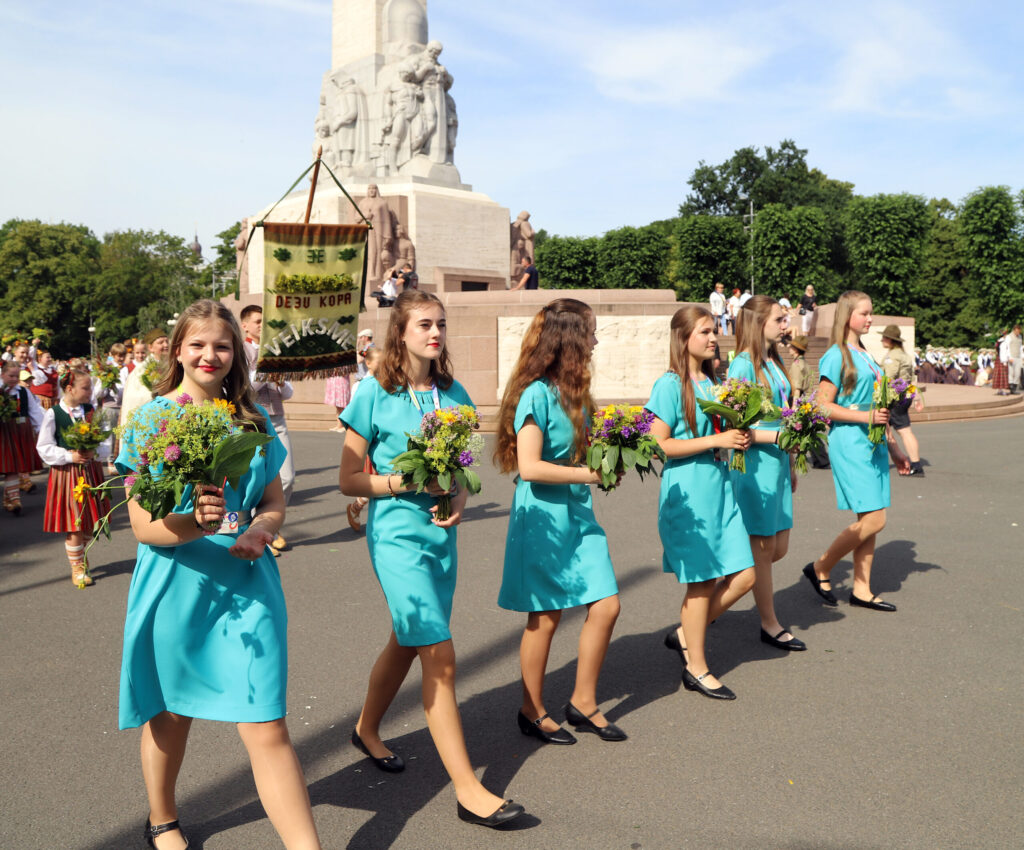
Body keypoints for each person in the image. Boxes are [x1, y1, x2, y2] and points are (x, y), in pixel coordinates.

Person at [116, 299, 322, 850]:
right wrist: (195, 521)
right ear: (178, 349)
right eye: (199, 344)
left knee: (267, 723)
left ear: (237, 354)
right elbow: (142, 527)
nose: (211, 355)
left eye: (223, 346)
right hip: (176, 584)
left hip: (246, 585)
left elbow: (274, 501)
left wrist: (261, 529)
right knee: (170, 715)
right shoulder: (150, 419)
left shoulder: (251, 420)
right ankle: (162, 820)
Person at [338, 290, 526, 828]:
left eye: (441, 323)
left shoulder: (453, 392)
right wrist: (403, 482)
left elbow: (462, 469)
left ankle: (366, 730)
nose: (435, 332)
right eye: (424, 324)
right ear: (401, 332)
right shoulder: (374, 392)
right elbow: (348, 479)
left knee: (409, 637)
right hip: (395, 535)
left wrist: (459, 499)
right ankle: (469, 789)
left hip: (440, 535)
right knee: (438, 653)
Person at [494, 298, 626, 746]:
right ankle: (531, 709)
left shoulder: (577, 392)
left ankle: (583, 702)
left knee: (606, 603)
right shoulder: (536, 394)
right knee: (546, 616)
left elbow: (579, 453)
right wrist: (591, 473)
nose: (594, 340)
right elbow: (529, 467)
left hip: (576, 509)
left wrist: (615, 453)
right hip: (542, 516)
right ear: (569, 338)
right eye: (589, 331)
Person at [646, 306, 756, 700]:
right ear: (683, 338)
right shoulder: (670, 384)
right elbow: (658, 444)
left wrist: (738, 436)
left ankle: (685, 633)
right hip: (688, 494)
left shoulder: (715, 382)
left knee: (745, 575)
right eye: (705, 332)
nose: (714, 338)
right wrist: (717, 441)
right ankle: (697, 668)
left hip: (721, 487)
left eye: (715, 331)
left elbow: (722, 432)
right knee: (702, 583)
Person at [802, 291, 910, 614]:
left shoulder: (865, 353)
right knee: (877, 518)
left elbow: (878, 408)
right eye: (864, 313)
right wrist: (865, 417)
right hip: (850, 442)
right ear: (847, 315)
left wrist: (895, 450)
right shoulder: (836, 355)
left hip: (874, 441)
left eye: (871, 313)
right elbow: (821, 405)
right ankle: (821, 566)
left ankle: (862, 588)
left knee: (869, 516)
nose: (870, 319)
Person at [728, 296, 805, 651]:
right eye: (779, 319)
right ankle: (769, 623)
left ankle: (716, 597)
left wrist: (790, 458)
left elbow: (784, 412)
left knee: (778, 548)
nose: (785, 325)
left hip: (777, 463)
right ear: (760, 322)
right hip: (755, 466)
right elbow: (734, 427)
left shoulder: (773, 361)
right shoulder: (742, 365)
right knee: (762, 550)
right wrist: (777, 436)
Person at [35, 366, 111, 587]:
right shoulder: (54, 414)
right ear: (70, 388)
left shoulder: (91, 411)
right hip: (67, 474)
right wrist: (69, 455)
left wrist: (94, 451)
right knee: (75, 523)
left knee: (90, 523)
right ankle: (77, 567)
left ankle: (80, 556)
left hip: (91, 471)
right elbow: (44, 447)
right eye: (85, 388)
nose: (90, 392)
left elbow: (106, 442)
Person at [240, 305, 294, 556]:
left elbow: (289, 392)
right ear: (245, 325)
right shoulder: (242, 350)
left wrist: (280, 379)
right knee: (256, 480)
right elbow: (246, 387)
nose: (263, 325)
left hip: (278, 418)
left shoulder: (274, 349)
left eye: (265, 321)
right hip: (253, 421)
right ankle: (259, 533)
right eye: (258, 321)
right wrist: (266, 369)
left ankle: (269, 523)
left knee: (287, 477)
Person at [878, 325, 925, 477]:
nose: (882, 340)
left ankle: (914, 464)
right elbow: (912, 379)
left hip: (894, 395)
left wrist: (879, 393)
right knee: (891, 428)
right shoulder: (905, 355)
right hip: (906, 394)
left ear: (891, 340)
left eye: (884, 337)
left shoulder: (892, 356)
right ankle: (913, 463)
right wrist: (916, 397)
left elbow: (888, 378)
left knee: (902, 431)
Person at [345, 347, 382, 532]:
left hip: (380, 441)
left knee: (378, 479)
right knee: (372, 480)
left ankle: (356, 508)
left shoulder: (385, 383)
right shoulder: (362, 385)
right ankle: (355, 508)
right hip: (367, 441)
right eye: (379, 361)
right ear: (368, 363)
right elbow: (356, 415)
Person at [2, 359, 44, 515]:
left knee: (16, 466)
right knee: (10, 467)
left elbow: (34, 412)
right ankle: (14, 500)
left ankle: (10, 500)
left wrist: (41, 431)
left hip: (22, 430)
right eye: (10, 376)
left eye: (16, 376)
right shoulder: (1, 391)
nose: (13, 379)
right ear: (3, 374)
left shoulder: (24, 392)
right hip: (5, 431)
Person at [788, 336, 829, 469]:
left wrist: (794, 405)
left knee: (802, 429)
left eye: (791, 346)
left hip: (798, 398)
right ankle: (820, 458)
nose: (789, 348)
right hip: (807, 398)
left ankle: (816, 458)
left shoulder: (796, 365)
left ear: (795, 349)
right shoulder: (804, 363)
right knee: (808, 429)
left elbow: (797, 387)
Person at [120, 329, 170, 427]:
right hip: (149, 422)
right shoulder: (141, 371)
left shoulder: (171, 365)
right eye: (161, 342)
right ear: (151, 347)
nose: (166, 345)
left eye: (167, 341)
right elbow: (134, 399)